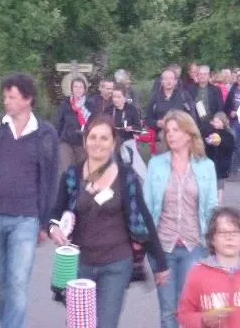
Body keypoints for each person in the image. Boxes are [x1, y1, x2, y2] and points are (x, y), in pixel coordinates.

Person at [49, 117, 168, 328]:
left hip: (116, 263)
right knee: (80, 325)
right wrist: (53, 227)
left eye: (104, 138)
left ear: (113, 143)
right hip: (79, 264)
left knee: (105, 324)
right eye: (92, 137)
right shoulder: (72, 175)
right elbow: (56, 212)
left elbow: (144, 218)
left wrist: (160, 263)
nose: (98, 143)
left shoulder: (126, 177)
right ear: (85, 141)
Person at [0, 73, 59, 328]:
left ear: (28, 99)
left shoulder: (45, 133)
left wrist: (45, 221)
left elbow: (51, 180)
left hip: (26, 220)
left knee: (17, 284)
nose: (6, 101)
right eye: (5, 96)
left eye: (12, 97)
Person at [144, 111, 218, 328]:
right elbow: (147, 208)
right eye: (168, 131)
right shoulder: (156, 165)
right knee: (168, 310)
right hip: (162, 246)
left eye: (176, 130)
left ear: (189, 134)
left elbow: (212, 207)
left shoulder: (206, 166)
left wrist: (216, 245)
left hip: (194, 245)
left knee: (190, 308)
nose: (171, 135)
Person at [104, 85, 146, 181]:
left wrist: (132, 128)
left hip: (128, 143)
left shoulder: (131, 109)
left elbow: (139, 128)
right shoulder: (108, 110)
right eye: (114, 97)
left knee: (141, 170)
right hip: (113, 144)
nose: (116, 100)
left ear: (124, 97)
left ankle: (144, 189)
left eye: (119, 97)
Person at [147, 68, 198, 142]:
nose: (169, 81)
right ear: (161, 81)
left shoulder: (184, 96)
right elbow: (148, 120)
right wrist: (157, 123)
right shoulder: (155, 98)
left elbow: (192, 117)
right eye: (166, 79)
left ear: (175, 81)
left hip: (182, 136)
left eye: (171, 78)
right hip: (162, 138)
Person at [54, 75, 92, 174]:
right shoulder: (65, 104)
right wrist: (56, 140)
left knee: (81, 171)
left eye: (80, 87)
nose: (78, 89)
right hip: (66, 141)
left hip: (82, 143)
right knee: (65, 170)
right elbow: (58, 123)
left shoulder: (90, 105)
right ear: (71, 89)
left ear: (84, 89)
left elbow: (94, 123)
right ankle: (63, 188)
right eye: (75, 87)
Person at [204, 113, 234, 204]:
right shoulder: (209, 132)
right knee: (210, 180)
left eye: (218, 122)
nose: (215, 123)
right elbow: (205, 143)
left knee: (220, 180)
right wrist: (208, 142)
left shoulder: (228, 134)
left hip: (222, 161)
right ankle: (210, 198)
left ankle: (219, 199)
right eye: (214, 122)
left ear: (223, 122)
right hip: (211, 159)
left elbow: (231, 147)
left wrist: (220, 142)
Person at [187, 65, 224, 137]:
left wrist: (216, 122)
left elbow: (220, 107)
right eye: (200, 74)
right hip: (195, 124)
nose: (202, 76)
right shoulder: (190, 89)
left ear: (209, 76)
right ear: (197, 75)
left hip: (211, 124)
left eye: (205, 74)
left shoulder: (216, 90)